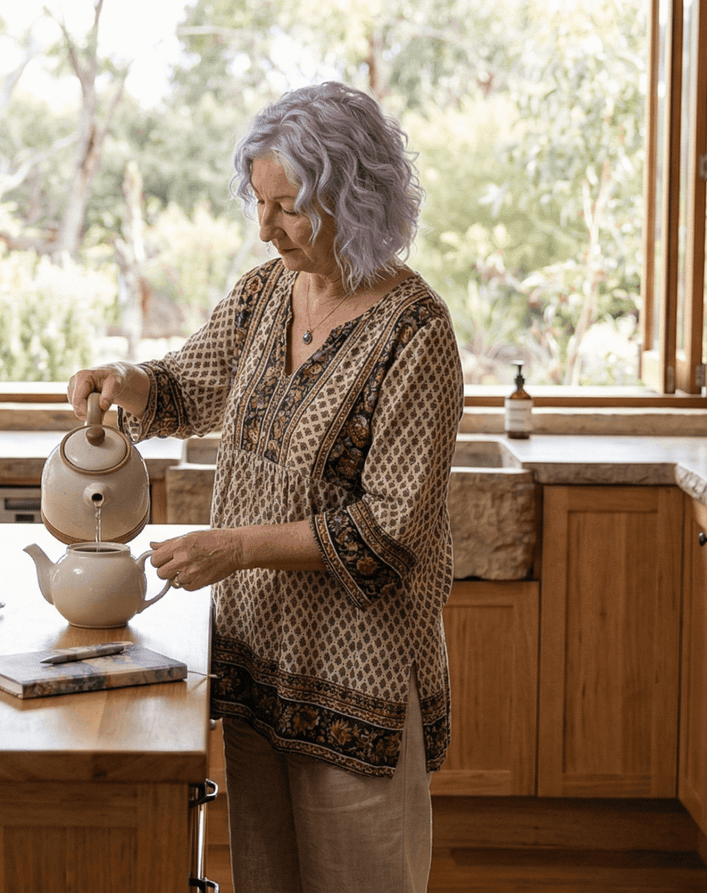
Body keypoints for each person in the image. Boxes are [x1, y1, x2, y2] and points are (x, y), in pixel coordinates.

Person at [67, 81, 463, 893]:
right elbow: (185, 387)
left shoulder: (415, 333)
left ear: (355, 199)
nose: (265, 227)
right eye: (258, 201)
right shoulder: (265, 293)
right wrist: (125, 378)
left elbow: (387, 532)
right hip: (256, 667)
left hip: (356, 687)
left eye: (288, 207)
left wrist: (235, 547)